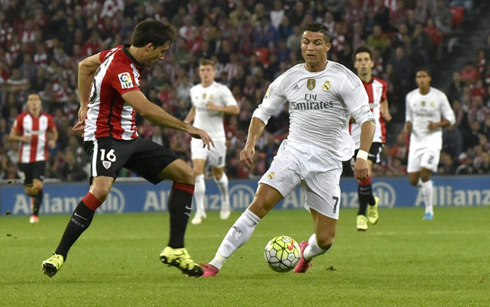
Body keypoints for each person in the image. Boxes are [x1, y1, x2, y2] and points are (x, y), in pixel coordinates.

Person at [41, 19, 214, 278]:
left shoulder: (116, 53)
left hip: (128, 138)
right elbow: (145, 109)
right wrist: (186, 127)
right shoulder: (121, 68)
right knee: (100, 189)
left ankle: (176, 249)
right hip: (104, 137)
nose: (163, 57)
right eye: (162, 51)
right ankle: (59, 254)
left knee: (186, 174)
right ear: (148, 47)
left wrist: (84, 104)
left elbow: (84, 66)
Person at [200, 23, 375, 277]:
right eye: (306, 42)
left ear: (328, 46)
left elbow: (366, 120)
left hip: (327, 161)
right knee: (259, 204)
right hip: (293, 153)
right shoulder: (290, 77)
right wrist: (250, 142)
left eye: (316, 42)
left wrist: (362, 156)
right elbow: (262, 112)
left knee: (325, 240)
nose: (310, 47)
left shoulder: (344, 78)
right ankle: (214, 263)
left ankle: (304, 254)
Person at [184, 58, 239, 225]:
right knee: (197, 171)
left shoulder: (221, 90)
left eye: (208, 70)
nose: (205, 73)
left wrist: (218, 108)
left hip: (216, 138)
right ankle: (200, 211)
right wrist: (186, 123)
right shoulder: (194, 90)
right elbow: (195, 108)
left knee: (218, 173)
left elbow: (235, 109)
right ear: (199, 72)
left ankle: (225, 201)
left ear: (213, 72)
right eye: (203, 70)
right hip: (199, 135)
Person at [404, 68, 455, 220]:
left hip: (433, 141)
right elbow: (409, 117)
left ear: (429, 79)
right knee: (413, 180)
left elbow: (451, 118)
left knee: (424, 172)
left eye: (424, 76)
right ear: (416, 80)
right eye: (418, 77)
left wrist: (437, 124)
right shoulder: (410, 97)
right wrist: (407, 126)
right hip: (416, 141)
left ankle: (429, 211)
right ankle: (428, 186)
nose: (421, 79)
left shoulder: (439, 96)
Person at [350, 46, 392, 231]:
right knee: (361, 176)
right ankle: (372, 201)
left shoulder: (381, 85)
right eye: (359, 60)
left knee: (365, 169)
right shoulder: (349, 87)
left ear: (372, 63)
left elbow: (382, 100)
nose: (363, 63)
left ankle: (360, 214)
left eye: (366, 59)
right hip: (353, 136)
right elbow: (345, 113)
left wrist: (385, 111)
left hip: (375, 134)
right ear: (355, 64)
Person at [9, 92, 58, 224]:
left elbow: (54, 132)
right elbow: (11, 135)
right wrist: (21, 138)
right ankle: (34, 202)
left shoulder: (47, 118)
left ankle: (35, 215)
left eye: (36, 99)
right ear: (28, 103)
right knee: (28, 189)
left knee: (37, 185)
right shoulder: (21, 118)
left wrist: (53, 140)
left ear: (40, 102)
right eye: (31, 99)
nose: (34, 101)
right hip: (24, 159)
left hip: (40, 157)